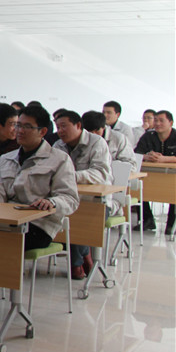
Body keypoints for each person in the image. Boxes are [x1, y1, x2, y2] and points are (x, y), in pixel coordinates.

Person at [0, 106, 79, 328]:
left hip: (39, 225)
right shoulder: (7, 159)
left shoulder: (59, 160)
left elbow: (70, 198)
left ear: (43, 131)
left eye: (27, 127)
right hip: (5, 222)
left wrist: (52, 203)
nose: (19, 130)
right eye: (18, 125)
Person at [52, 110, 110, 280]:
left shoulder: (97, 143)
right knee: (61, 216)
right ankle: (85, 255)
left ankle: (76, 263)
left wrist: (69, 176)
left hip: (95, 203)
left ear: (78, 125)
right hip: (68, 200)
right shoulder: (58, 146)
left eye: (64, 126)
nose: (60, 131)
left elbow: (100, 174)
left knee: (76, 219)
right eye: (57, 127)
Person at [134, 110, 176, 234]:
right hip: (150, 174)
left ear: (170, 123)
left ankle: (171, 224)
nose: (157, 123)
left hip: (172, 176)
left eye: (161, 121)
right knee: (137, 187)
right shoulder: (148, 136)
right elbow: (136, 153)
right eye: (156, 120)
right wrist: (147, 156)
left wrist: (165, 159)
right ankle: (147, 220)